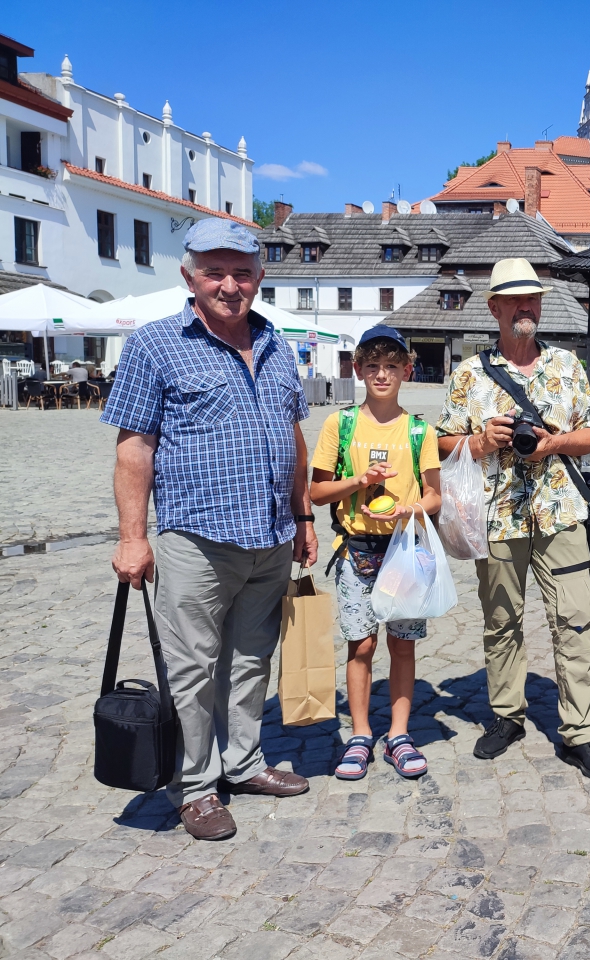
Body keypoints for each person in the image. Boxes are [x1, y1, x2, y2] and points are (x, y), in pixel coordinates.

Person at [102, 218, 318, 842]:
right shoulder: (155, 345)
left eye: (243, 272)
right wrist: (132, 536)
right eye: (216, 272)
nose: (230, 284)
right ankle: (194, 786)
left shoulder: (278, 343)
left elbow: (292, 436)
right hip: (194, 536)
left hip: (271, 535)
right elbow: (134, 449)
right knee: (193, 668)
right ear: (189, 277)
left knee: (251, 660)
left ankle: (244, 762)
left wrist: (302, 515)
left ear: (260, 276)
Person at [435, 258, 590, 782]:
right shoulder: (469, 374)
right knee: (501, 621)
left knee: (576, 621)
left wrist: (553, 443)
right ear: (494, 308)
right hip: (495, 517)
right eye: (514, 300)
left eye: (532, 298)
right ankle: (507, 716)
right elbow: (443, 440)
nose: (525, 307)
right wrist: (480, 440)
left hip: (560, 512)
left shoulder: (567, 365)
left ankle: (581, 733)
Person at [310, 325, 442, 781]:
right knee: (361, 644)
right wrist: (359, 481)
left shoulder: (420, 429)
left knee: (402, 646)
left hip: (404, 550)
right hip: (356, 551)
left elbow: (435, 497)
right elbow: (317, 491)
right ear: (357, 369)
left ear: (407, 369)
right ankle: (361, 735)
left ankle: (400, 735)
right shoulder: (340, 424)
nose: (381, 374)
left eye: (391, 366)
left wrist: (411, 507)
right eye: (372, 366)